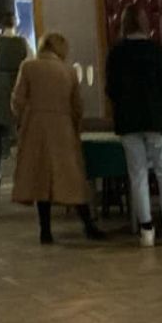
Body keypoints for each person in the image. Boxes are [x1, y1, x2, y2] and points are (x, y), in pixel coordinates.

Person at [105, 4, 162, 247]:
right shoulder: (157, 51)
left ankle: (146, 231)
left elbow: (111, 89)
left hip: (128, 121)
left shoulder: (116, 53)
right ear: (145, 23)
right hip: (156, 120)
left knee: (137, 176)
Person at [11, 31, 102, 244]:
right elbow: (77, 104)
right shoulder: (68, 71)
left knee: (40, 180)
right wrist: (75, 127)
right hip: (63, 128)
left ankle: (45, 230)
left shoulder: (28, 67)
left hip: (35, 128)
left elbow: (18, 100)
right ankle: (88, 225)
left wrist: (23, 120)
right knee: (72, 179)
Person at [0, 14, 30, 187]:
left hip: (2, 83)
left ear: (1, 25)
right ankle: (25, 171)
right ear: (15, 24)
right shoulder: (23, 42)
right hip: (19, 82)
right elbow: (30, 61)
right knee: (22, 126)